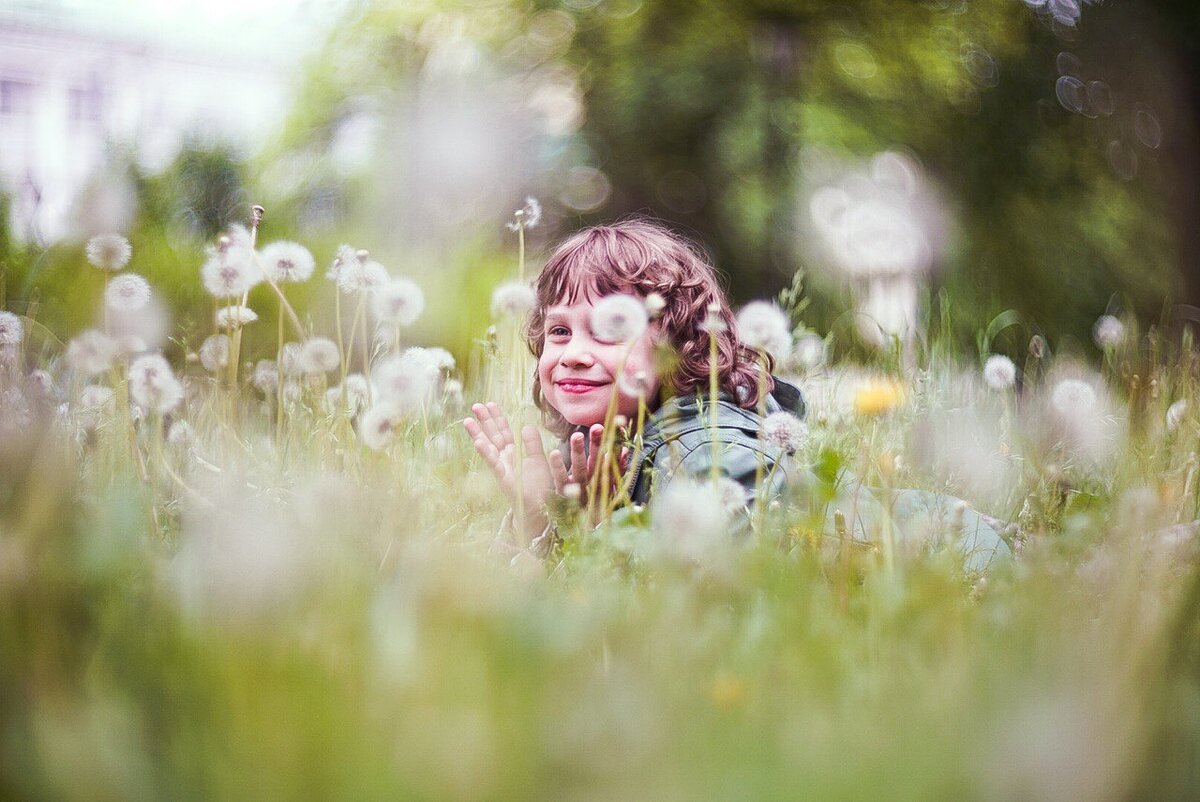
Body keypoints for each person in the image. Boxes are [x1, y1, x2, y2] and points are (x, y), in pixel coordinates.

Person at [464, 219, 1009, 570]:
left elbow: (736, 585)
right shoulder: (618, 447)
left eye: (609, 328)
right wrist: (542, 522)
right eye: (558, 332)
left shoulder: (709, 449)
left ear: (677, 344)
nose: (574, 352)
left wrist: (584, 530)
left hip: (963, 566)